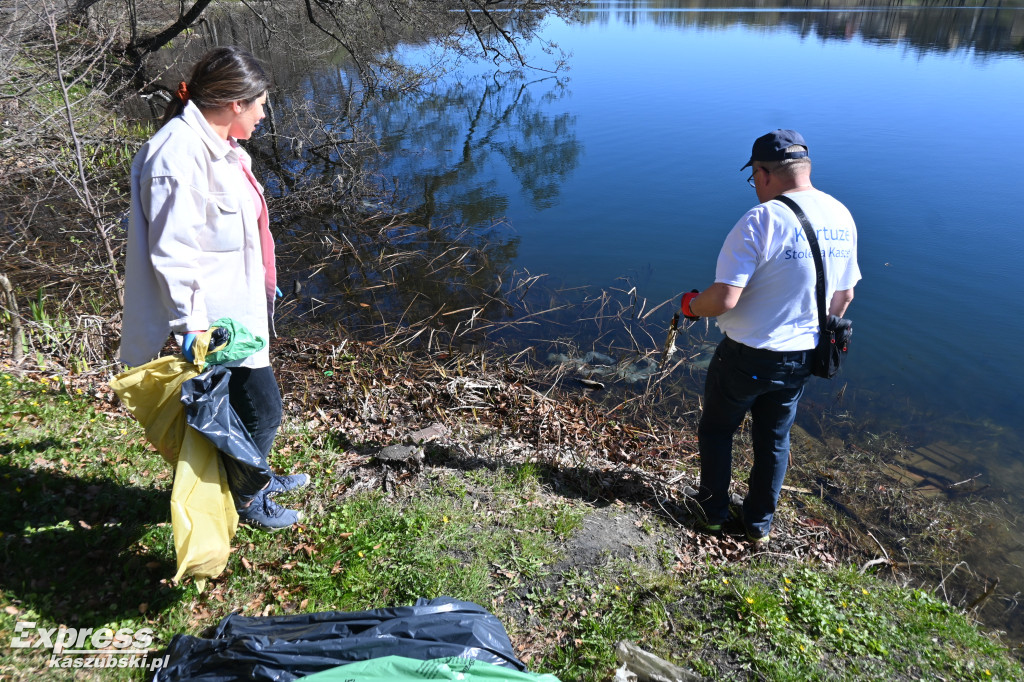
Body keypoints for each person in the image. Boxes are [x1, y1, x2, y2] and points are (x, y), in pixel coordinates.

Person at [119, 46, 308, 531]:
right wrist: (191, 325)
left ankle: (253, 474)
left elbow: (233, 232)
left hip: (237, 310)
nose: (264, 114)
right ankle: (249, 496)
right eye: (260, 104)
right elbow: (172, 251)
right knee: (262, 409)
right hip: (212, 323)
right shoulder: (177, 157)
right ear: (233, 104)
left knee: (243, 408)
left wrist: (259, 275)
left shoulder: (220, 147)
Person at [680, 129, 860, 544]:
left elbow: (724, 298)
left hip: (745, 356)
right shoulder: (841, 216)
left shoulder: (761, 219)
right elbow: (844, 295)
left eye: (753, 178)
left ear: (762, 173)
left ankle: (711, 514)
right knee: (774, 440)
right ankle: (758, 525)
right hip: (802, 357)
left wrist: (690, 306)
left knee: (717, 430)